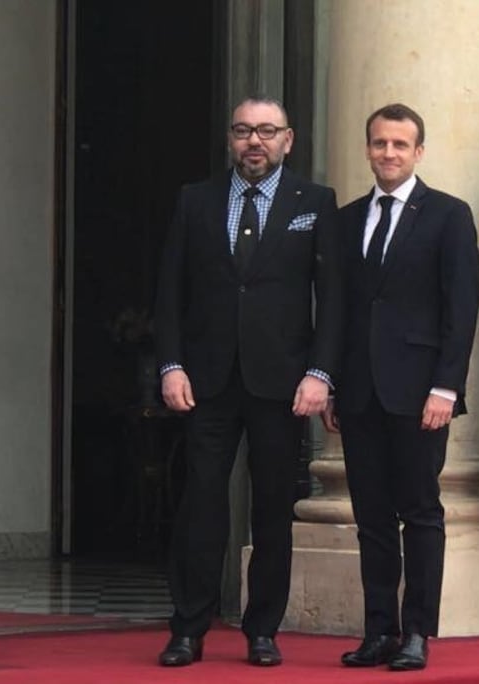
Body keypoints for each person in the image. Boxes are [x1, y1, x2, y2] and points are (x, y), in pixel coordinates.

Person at [153, 96, 343, 667]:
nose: (253, 142)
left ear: (288, 139)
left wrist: (320, 373)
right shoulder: (196, 200)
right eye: (242, 131)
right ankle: (188, 627)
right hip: (207, 380)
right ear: (230, 139)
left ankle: (263, 628)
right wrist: (170, 363)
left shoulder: (316, 202)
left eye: (266, 131)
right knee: (201, 504)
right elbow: (170, 292)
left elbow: (333, 301)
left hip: (282, 383)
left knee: (272, 510)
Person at [327, 104, 479, 671]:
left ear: (418, 152)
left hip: (421, 395)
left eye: (399, 144)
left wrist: (446, 387)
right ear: (367, 149)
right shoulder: (344, 221)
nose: (388, 153)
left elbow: (461, 309)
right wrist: (334, 385)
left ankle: (417, 631)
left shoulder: (447, 215)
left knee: (419, 512)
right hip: (361, 393)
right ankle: (378, 631)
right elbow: (339, 311)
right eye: (378, 143)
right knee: (370, 516)